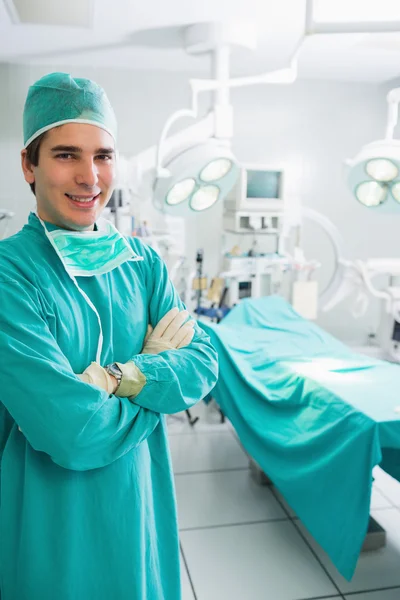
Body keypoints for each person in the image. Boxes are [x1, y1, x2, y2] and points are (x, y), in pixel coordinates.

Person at [0, 72, 218, 600]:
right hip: (53, 513)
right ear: (29, 164)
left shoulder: (141, 261)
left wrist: (122, 375)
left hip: (138, 497)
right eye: (67, 155)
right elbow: (72, 433)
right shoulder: (10, 273)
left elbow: (206, 360)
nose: (89, 177)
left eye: (103, 156)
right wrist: (158, 382)